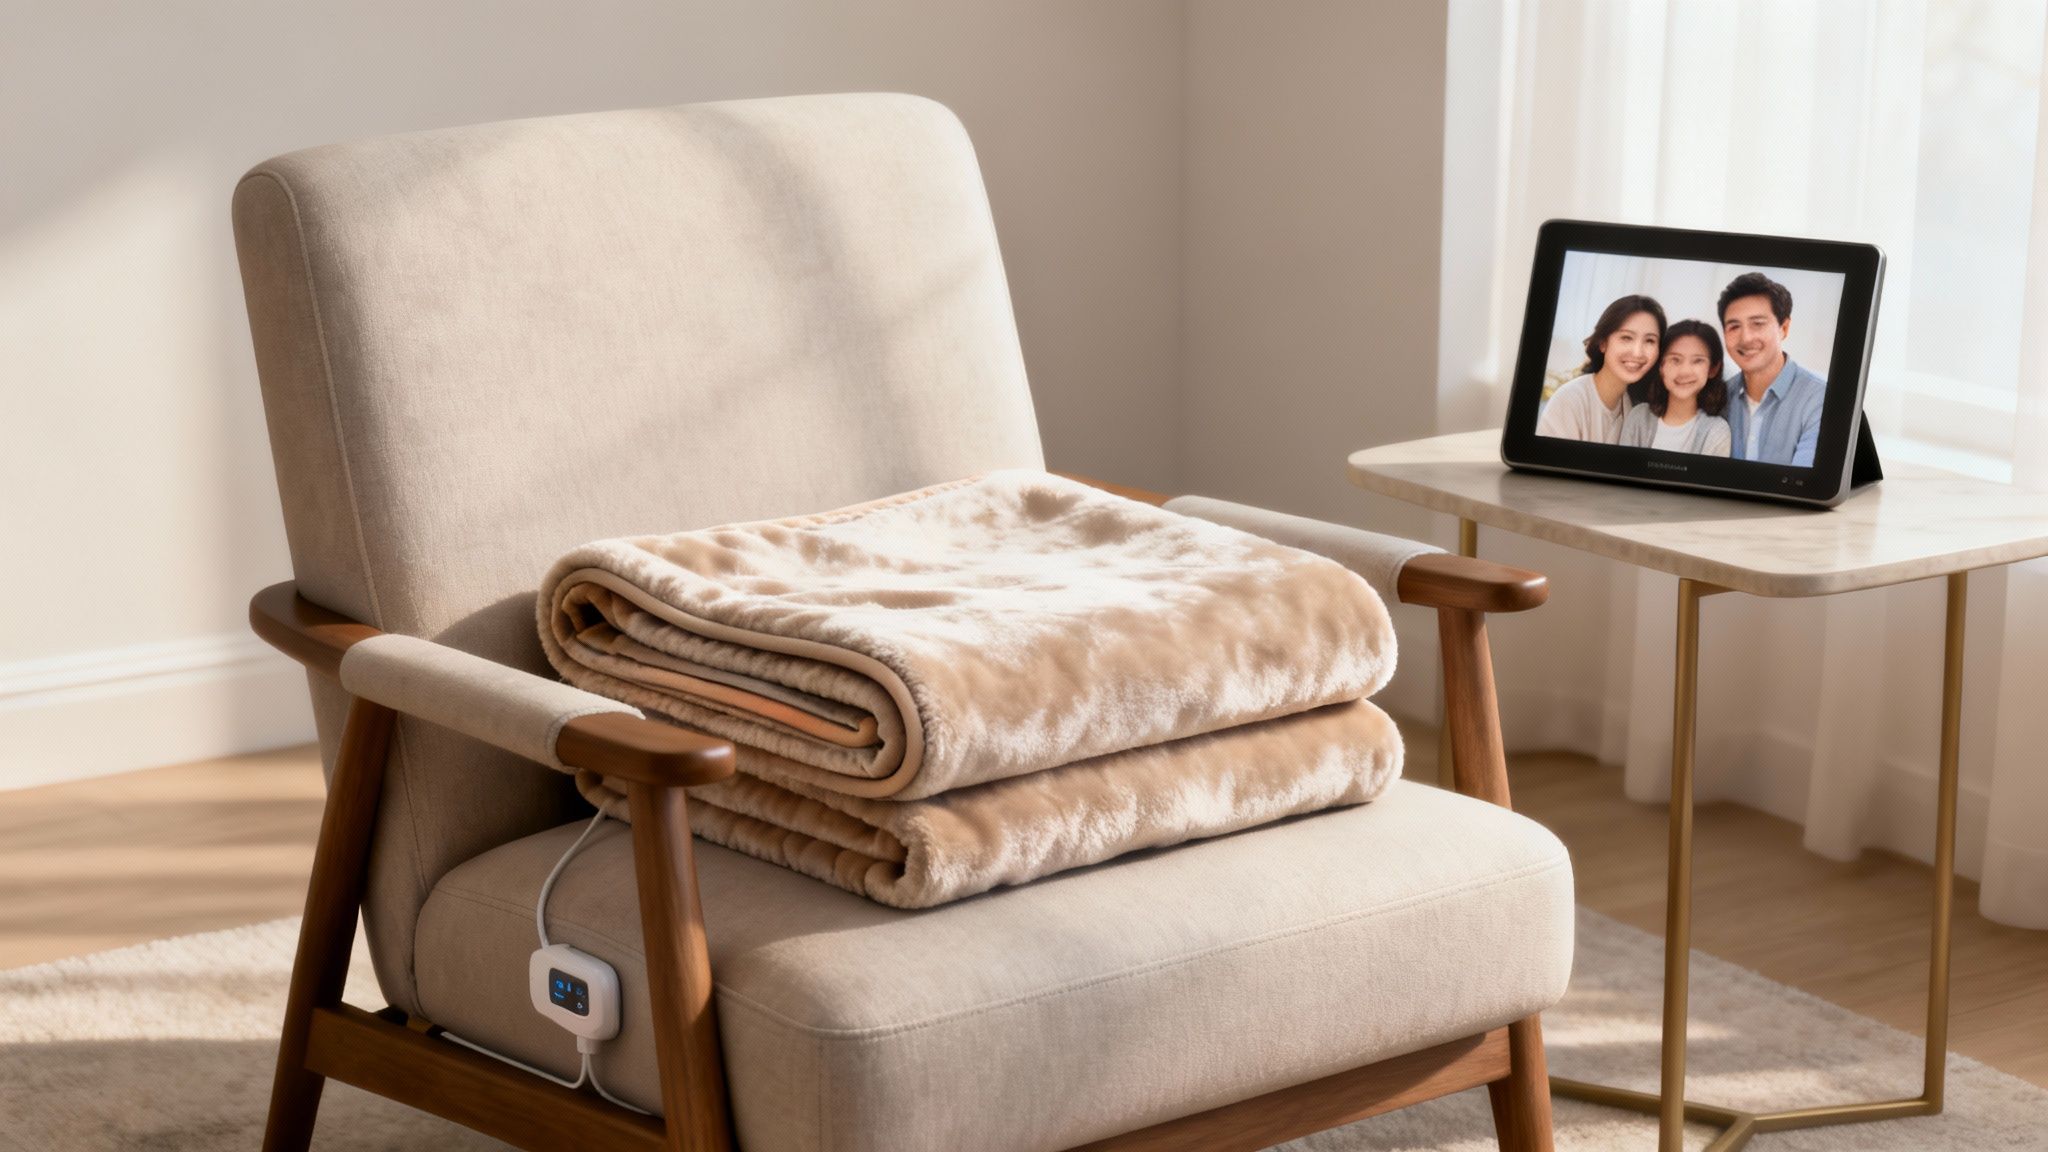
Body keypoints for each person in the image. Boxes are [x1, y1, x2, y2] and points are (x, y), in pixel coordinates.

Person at [1719, 271, 1827, 466]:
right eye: (1734, 327)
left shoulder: (1820, 398)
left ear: (1784, 328)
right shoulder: (1720, 397)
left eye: (1758, 324)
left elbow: (1804, 487)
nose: (1746, 338)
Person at [1537, 294, 1666, 444]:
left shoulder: (1635, 408)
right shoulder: (1569, 401)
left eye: (1650, 340)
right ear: (1603, 343)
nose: (1637, 352)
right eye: (1626, 338)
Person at [1620, 319, 1732, 455]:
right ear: (1661, 366)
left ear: (1712, 369)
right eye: (1675, 360)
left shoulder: (1716, 430)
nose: (1685, 371)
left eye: (1697, 361)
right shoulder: (1639, 417)